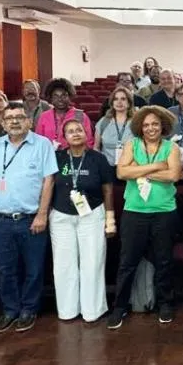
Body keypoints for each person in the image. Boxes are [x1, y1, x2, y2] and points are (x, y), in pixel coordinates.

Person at [0, 102, 59, 334]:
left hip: (31, 217)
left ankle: (29, 309)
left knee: (33, 269)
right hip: (1, 219)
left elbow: (48, 181)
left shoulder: (42, 145)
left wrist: (42, 214)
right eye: (9, 117)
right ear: (3, 122)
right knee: (6, 269)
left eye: (19, 117)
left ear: (29, 121)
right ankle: (10, 310)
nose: (14, 121)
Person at [107, 106, 183, 329]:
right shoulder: (132, 145)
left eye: (155, 124)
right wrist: (156, 166)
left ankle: (165, 304)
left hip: (164, 212)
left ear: (163, 127)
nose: (151, 128)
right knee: (127, 262)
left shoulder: (172, 147)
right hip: (134, 213)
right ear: (140, 126)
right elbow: (121, 173)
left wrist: (139, 169)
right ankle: (119, 307)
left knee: (164, 261)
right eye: (147, 124)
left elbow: (173, 175)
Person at [50, 119, 116, 323]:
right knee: (64, 265)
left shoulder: (98, 158)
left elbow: (107, 189)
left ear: (86, 133)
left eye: (79, 129)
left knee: (92, 262)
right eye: (70, 131)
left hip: (92, 215)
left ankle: (92, 310)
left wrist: (110, 218)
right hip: (61, 216)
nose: (75, 133)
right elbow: (48, 185)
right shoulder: (57, 158)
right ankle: (67, 310)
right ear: (64, 137)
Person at [35, 78, 96, 150]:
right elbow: (38, 141)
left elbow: (88, 142)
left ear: (69, 97)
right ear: (51, 98)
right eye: (55, 96)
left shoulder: (79, 115)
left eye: (64, 95)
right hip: (48, 156)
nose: (60, 99)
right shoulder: (44, 116)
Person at [97, 87, 135, 166]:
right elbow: (96, 148)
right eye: (116, 99)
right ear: (112, 103)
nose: (119, 102)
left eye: (123, 99)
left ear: (129, 103)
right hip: (106, 168)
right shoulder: (103, 122)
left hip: (129, 168)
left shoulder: (136, 123)